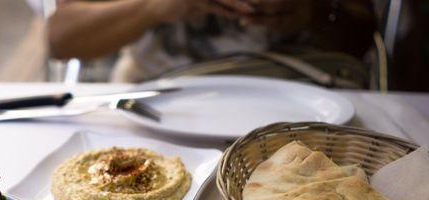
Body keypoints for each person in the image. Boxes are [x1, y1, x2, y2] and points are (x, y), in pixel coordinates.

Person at [44, 0, 377, 82]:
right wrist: (153, 6)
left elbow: (363, 36)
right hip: (158, 97)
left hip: (307, 90)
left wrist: (311, 12)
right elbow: (62, 39)